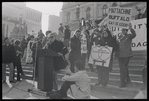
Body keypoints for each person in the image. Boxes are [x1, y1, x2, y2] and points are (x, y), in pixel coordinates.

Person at [116, 23, 136, 88]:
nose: (122, 31)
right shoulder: (119, 37)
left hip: (126, 55)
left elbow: (134, 35)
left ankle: (123, 83)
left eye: (124, 30)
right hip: (120, 55)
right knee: (124, 68)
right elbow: (118, 45)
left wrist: (131, 28)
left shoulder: (129, 36)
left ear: (126, 31)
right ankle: (128, 79)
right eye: (122, 30)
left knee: (122, 69)